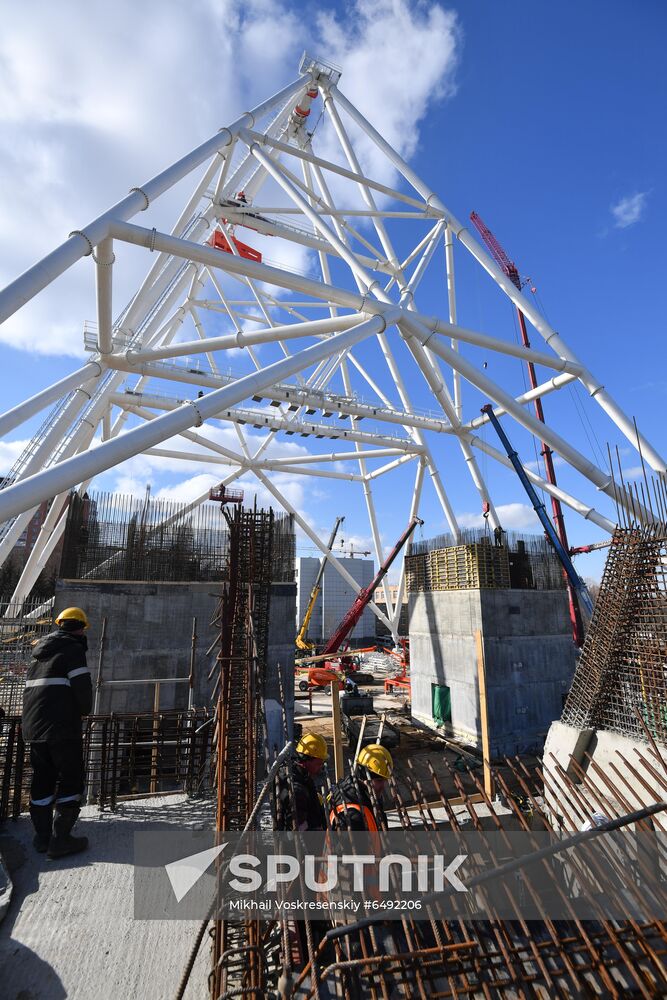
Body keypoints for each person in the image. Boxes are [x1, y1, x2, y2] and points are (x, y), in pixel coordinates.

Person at [23, 607, 93, 858]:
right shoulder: (73, 649)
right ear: (81, 628)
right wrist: (85, 710)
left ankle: (41, 838)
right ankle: (61, 839)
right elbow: (83, 689)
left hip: (34, 729)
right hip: (62, 729)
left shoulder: (37, 656)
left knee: (42, 779)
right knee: (71, 779)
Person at [328, 744, 393, 832]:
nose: (383, 786)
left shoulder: (366, 797)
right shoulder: (352, 815)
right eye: (379, 780)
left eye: (385, 780)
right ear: (364, 777)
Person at [276, 732, 328, 832]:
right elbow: (297, 830)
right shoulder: (297, 790)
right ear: (308, 760)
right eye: (319, 763)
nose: (321, 766)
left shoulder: (297, 771)